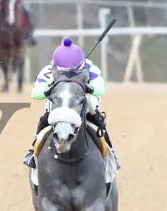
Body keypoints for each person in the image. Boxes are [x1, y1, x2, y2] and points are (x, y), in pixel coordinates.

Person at [22, 37, 120, 170]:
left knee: (98, 121)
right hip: (57, 108)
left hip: (83, 108)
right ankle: (32, 150)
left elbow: (100, 89)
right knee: (44, 120)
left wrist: (89, 88)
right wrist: (48, 89)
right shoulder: (49, 69)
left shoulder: (90, 67)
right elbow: (36, 92)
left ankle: (111, 153)